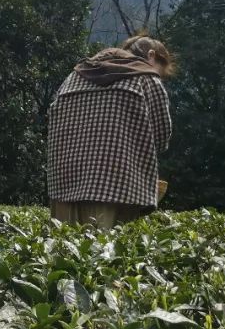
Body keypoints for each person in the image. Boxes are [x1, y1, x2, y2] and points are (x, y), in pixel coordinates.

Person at [47, 35, 174, 229]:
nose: (159, 76)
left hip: (63, 185)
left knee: (63, 250)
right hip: (117, 188)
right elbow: (161, 137)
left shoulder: (74, 77)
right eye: (160, 71)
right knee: (104, 253)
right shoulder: (146, 79)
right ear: (151, 56)